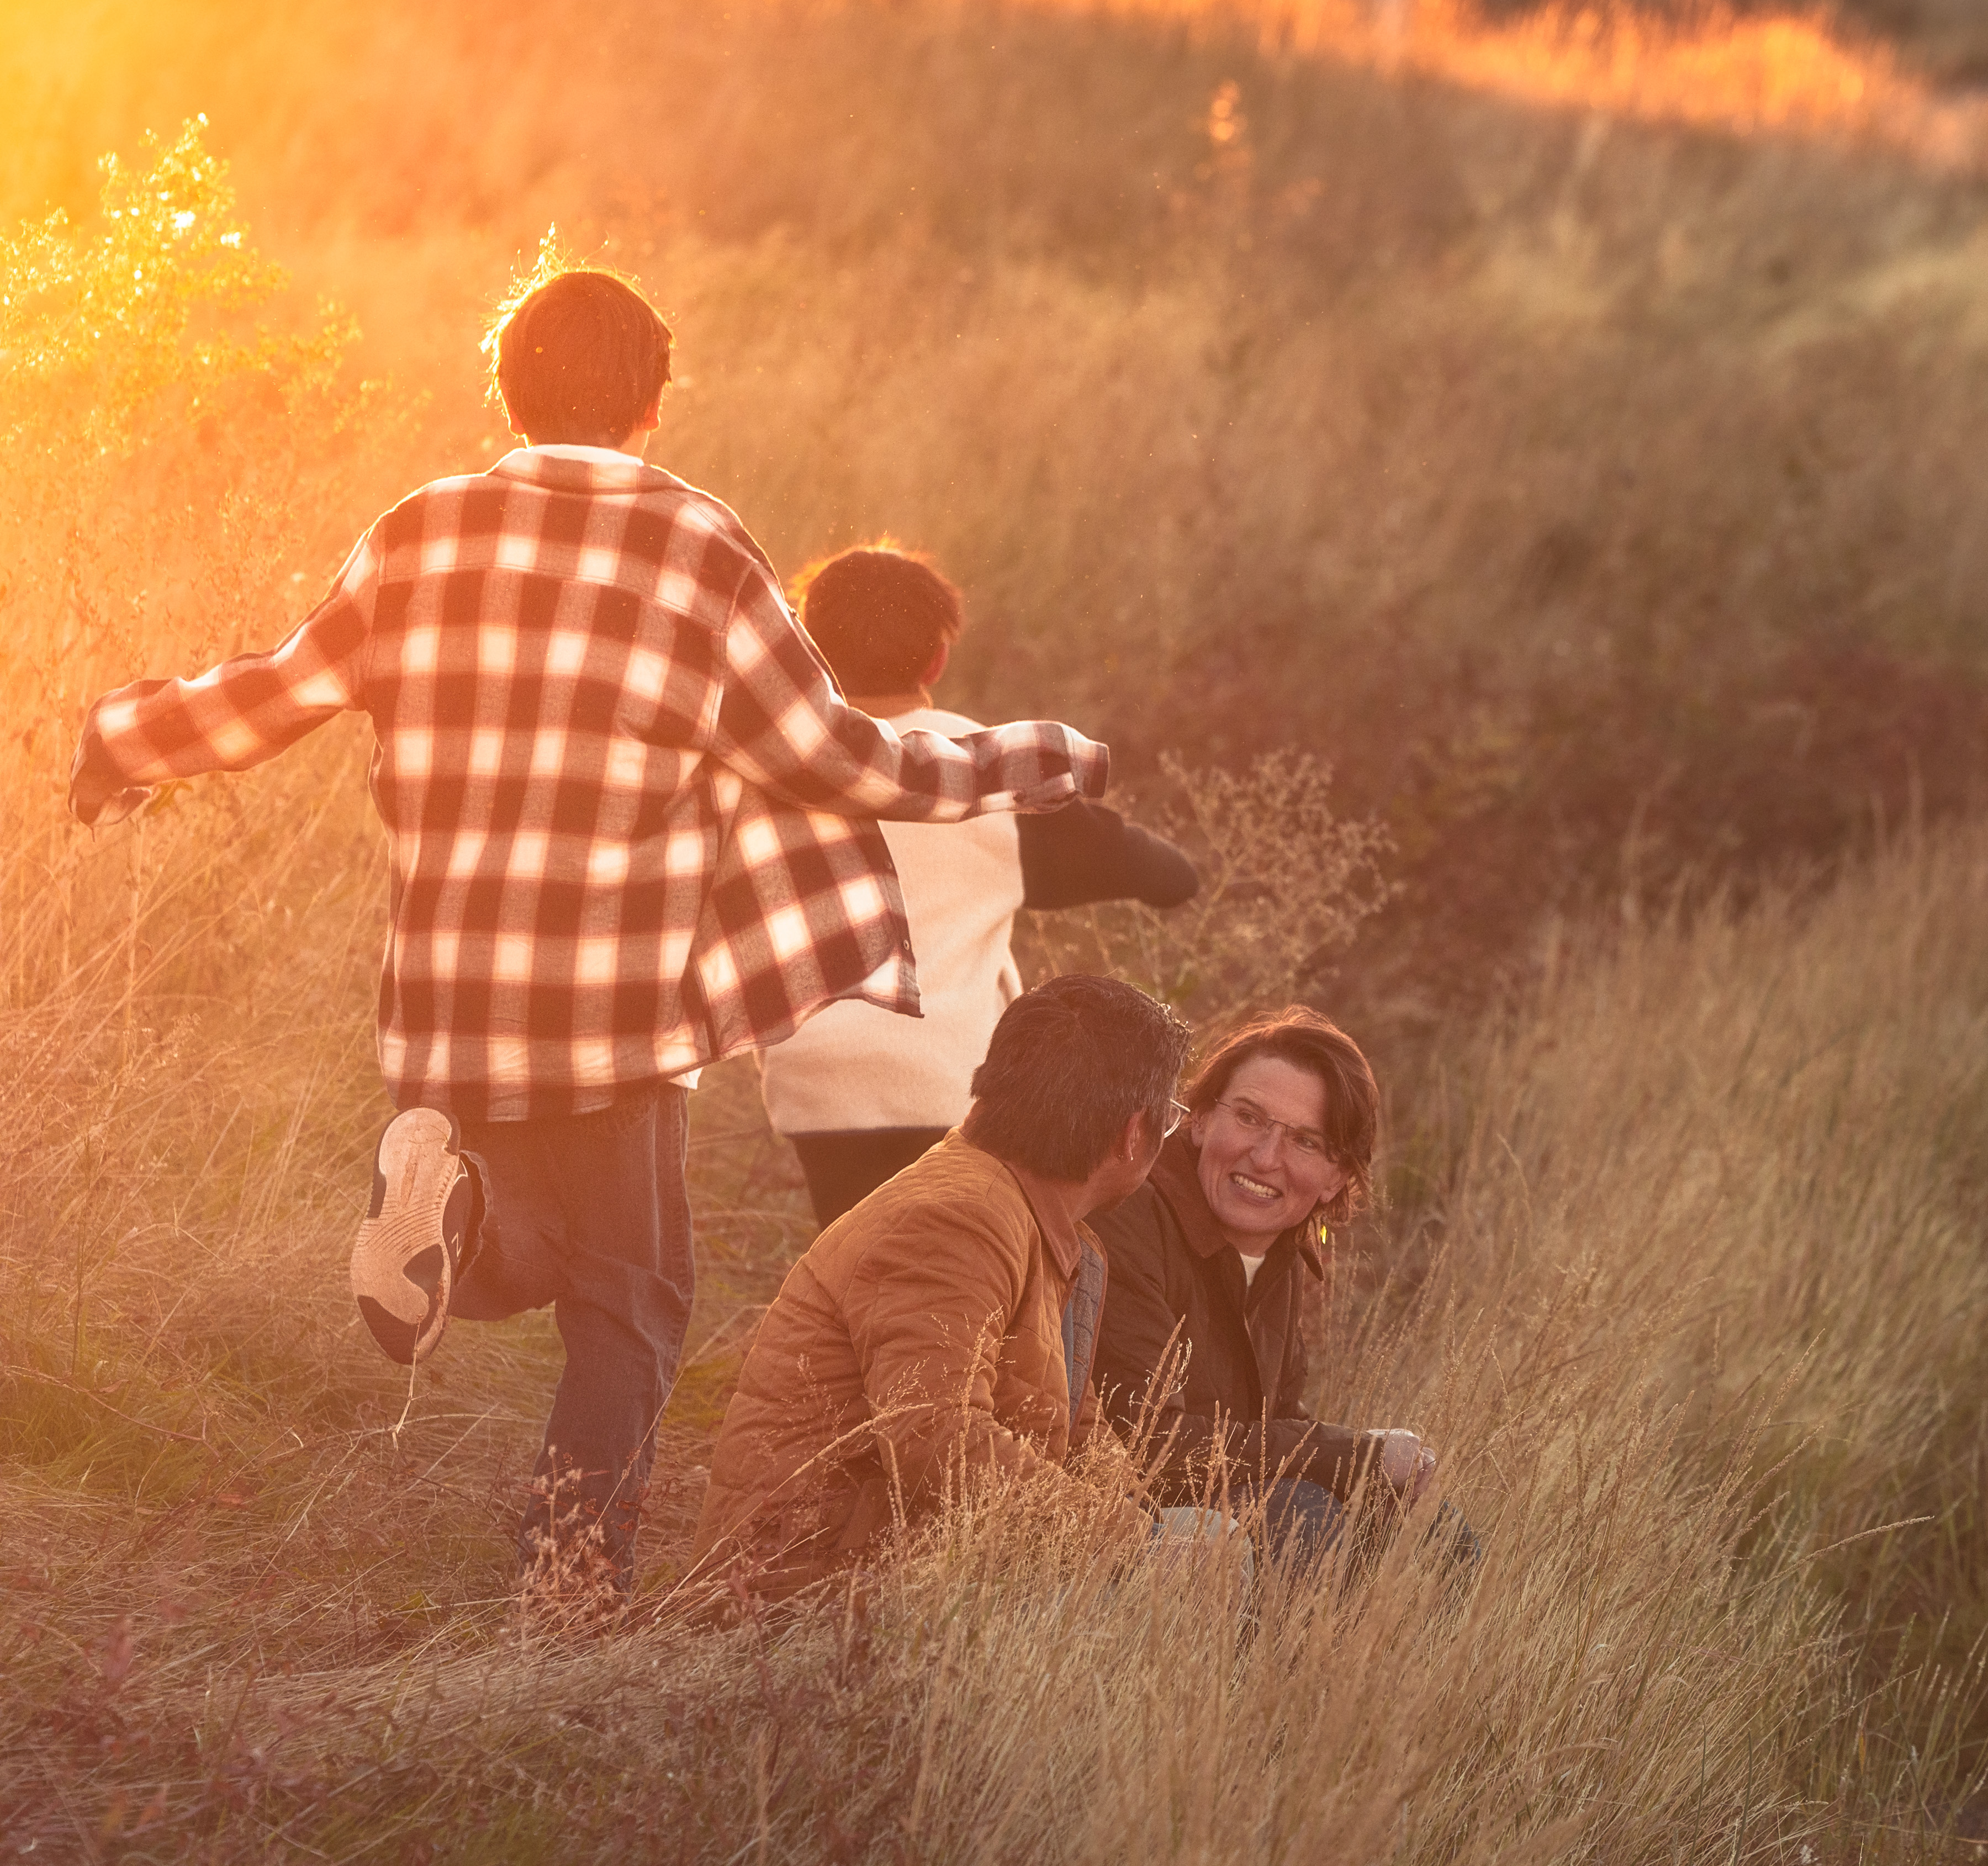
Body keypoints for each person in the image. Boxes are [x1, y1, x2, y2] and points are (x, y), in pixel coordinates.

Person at [68, 267, 1115, 1601]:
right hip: (615, 1010)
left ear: (502, 391)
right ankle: (568, 1591)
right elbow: (846, 760)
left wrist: (119, 739)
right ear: (652, 405)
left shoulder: (420, 530)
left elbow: (277, 695)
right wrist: (1042, 758)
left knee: (515, 1255)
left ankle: (452, 1191)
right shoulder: (696, 546)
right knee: (630, 1304)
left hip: (444, 991)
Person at [688, 973, 1188, 1601]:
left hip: (902, 1573)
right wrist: (1134, 1546)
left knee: (1210, 1547)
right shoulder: (958, 1218)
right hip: (812, 1605)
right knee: (1210, 1561)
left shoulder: (1038, 1223)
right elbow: (936, 1439)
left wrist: (1143, 1525)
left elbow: (1077, 1431)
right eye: (1171, 1121)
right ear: (1134, 1133)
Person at [758, 543, 1198, 1233]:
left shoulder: (777, 767)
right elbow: (1170, 878)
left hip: (819, 1080)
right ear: (936, 660)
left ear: (807, 650)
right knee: (958, 1285)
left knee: (857, 1274)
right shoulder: (986, 772)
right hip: (952, 1082)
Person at [1091, 1007, 1468, 1571]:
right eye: (1248, 1117)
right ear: (1198, 1118)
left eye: (1306, 1142)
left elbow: (1273, 1420)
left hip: (1216, 1496)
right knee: (1303, 1520)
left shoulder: (1281, 1245)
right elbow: (1152, 1449)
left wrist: (1365, 1466)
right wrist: (1355, 1454)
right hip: (1120, 1517)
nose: (1266, 1158)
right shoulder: (1131, 1217)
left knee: (1436, 1535)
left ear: (1337, 1176)